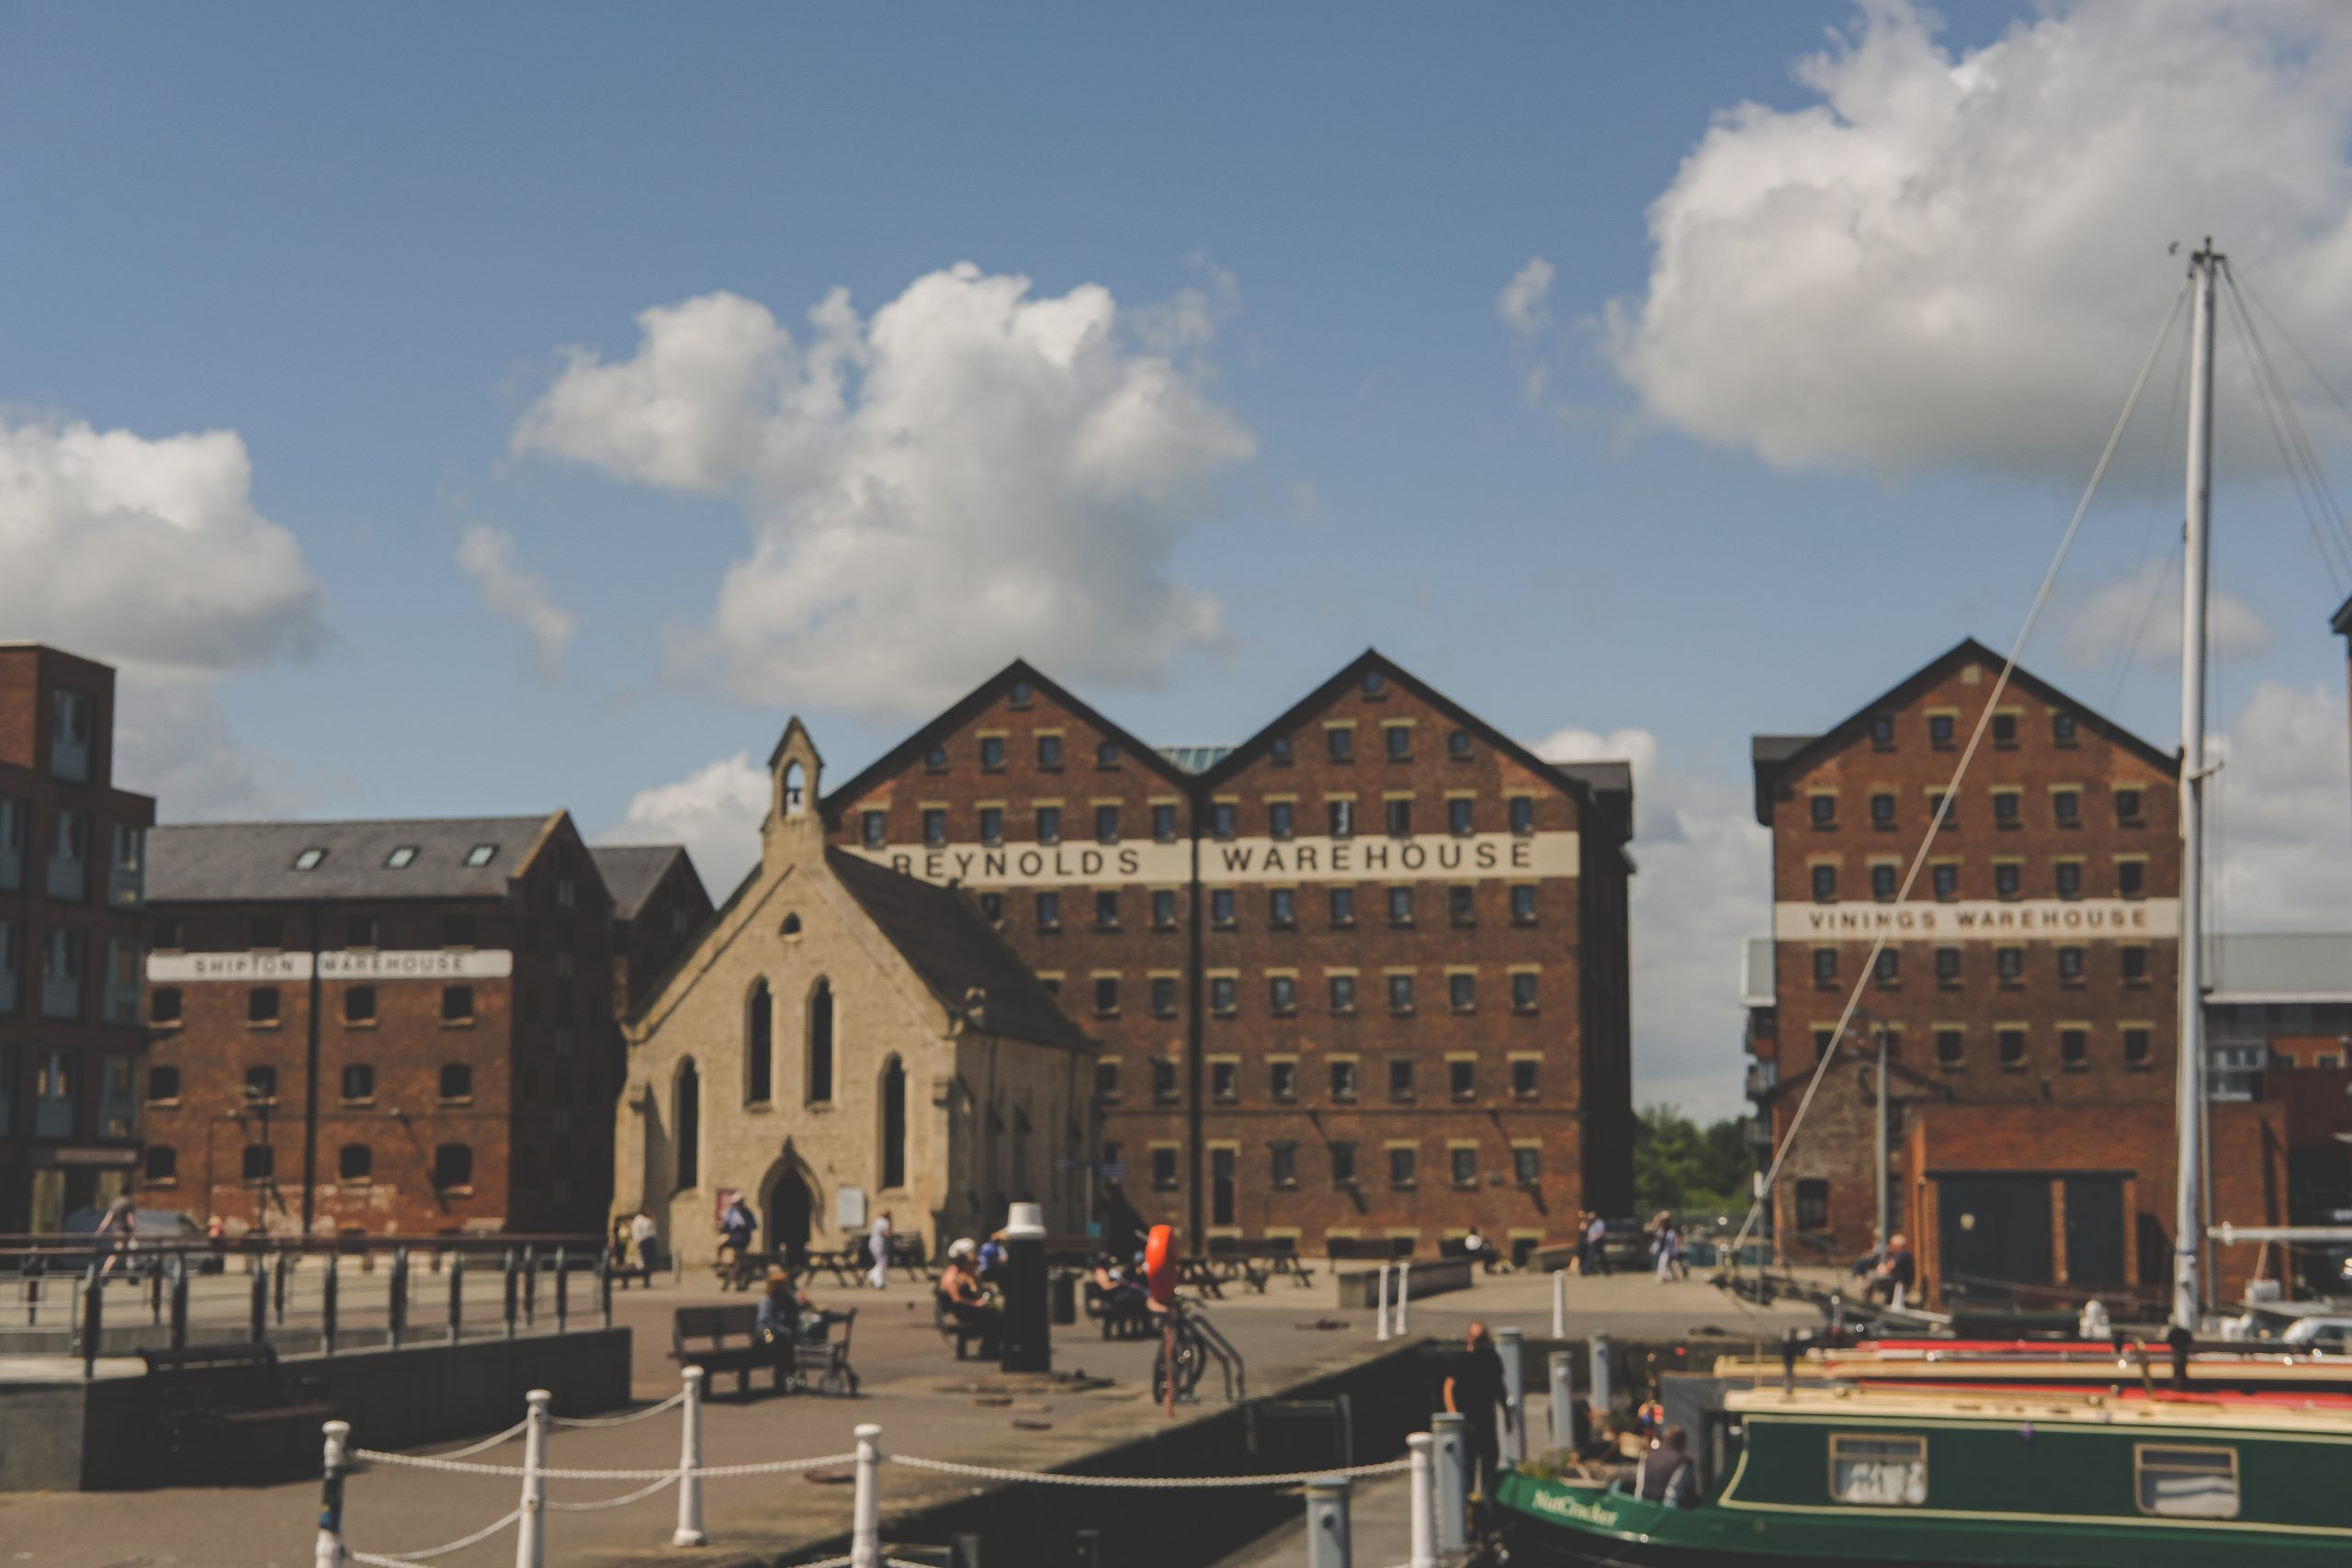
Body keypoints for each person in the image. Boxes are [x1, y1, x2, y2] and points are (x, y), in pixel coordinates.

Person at [1442, 1322, 1508, 1499]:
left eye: (1482, 1338)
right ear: (1468, 1338)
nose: (1479, 1342)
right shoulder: (1461, 1360)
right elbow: (1448, 1386)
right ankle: (1469, 1506)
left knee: (1490, 1463)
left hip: (1486, 1420)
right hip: (1467, 1422)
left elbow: (1499, 1386)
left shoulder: (1492, 1358)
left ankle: (1488, 1503)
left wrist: (1506, 1411)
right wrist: (1453, 1413)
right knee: (1467, 1467)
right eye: (1476, 1338)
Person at [937, 1238, 1001, 1354]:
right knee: (994, 1317)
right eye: (973, 1255)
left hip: (969, 1310)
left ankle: (990, 1347)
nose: (976, 1259)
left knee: (997, 1313)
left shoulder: (965, 1273)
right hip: (964, 1312)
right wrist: (976, 1304)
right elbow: (956, 1299)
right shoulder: (952, 1276)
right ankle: (988, 1350)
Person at [1634, 1426, 1699, 1508]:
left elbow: (1640, 1485)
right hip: (1667, 1512)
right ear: (1683, 1442)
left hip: (1643, 1506)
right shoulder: (1685, 1461)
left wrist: (1639, 1506)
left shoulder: (1649, 1454)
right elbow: (1673, 1492)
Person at [1866, 1233, 1916, 1307]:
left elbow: (1889, 1267)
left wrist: (1881, 1268)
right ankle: (1887, 1301)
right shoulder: (1901, 1254)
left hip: (1901, 1282)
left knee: (1872, 1277)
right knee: (1873, 1275)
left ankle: (1867, 1302)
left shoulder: (1901, 1254)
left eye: (1892, 1244)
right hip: (1899, 1280)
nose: (1890, 1245)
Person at [94, 1193, 135, 1279]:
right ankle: (104, 1272)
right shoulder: (128, 1203)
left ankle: (130, 1275)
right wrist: (134, 1230)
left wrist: (100, 1230)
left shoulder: (115, 1203)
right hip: (124, 1232)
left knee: (125, 1252)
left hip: (116, 1231)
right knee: (118, 1253)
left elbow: (108, 1217)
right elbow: (130, 1218)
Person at [718, 1194, 757, 1285]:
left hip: (743, 1238)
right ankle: (720, 1263)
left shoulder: (747, 1213)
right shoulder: (732, 1213)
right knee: (720, 1244)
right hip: (733, 1236)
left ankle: (736, 1275)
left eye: (737, 1203)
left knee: (738, 1257)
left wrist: (745, 1225)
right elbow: (727, 1225)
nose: (736, 1205)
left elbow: (754, 1225)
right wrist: (724, 1230)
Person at [867, 1209, 893, 1290]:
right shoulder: (885, 1222)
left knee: (880, 1262)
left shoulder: (876, 1221)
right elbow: (886, 1233)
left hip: (872, 1243)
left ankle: (876, 1278)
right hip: (880, 1244)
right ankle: (875, 1278)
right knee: (883, 1262)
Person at [630, 1209, 662, 1273]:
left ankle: (650, 1268)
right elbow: (636, 1230)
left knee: (651, 1255)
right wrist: (637, 1239)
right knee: (645, 1255)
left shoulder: (650, 1218)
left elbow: (653, 1229)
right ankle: (644, 1269)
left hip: (651, 1239)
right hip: (644, 1240)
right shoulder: (639, 1219)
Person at [1584, 1213, 1611, 1277]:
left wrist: (1593, 1238)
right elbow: (1588, 1231)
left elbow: (1601, 1232)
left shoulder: (1599, 1222)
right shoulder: (1590, 1223)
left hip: (1598, 1241)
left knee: (1602, 1256)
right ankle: (1585, 1271)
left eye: (1591, 1218)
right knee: (1589, 1256)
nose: (1590, 1219)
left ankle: (1607, 1270)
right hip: (1592, 1242)